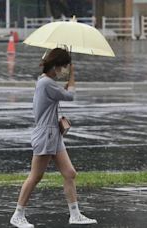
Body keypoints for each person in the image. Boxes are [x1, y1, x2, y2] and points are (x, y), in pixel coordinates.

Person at [10, 48, 97, 228]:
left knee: (70, 173)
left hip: (53, 134)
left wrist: (63, 86)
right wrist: (73, 75)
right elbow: (71, 96)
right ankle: (18, 215)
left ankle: (75, 214)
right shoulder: (46, 83)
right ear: (56, 66)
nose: (65, 70)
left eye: (67, 67)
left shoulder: (46, 82)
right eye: (64, 66)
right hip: (45, 135)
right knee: (35, 176)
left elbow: (59, 96)